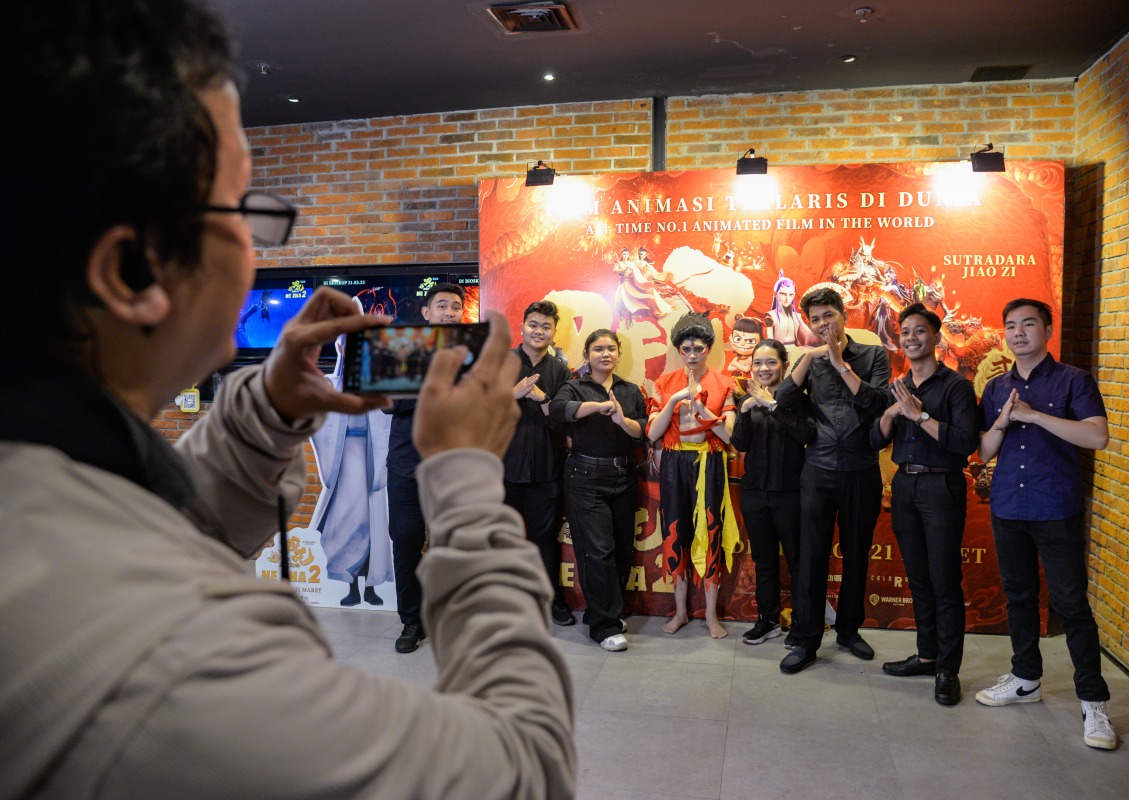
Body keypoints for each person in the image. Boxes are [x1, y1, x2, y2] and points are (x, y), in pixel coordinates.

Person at [1, 3, 575, 797]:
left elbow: (144, 524)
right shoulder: (180, 661)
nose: (255, 247)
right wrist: (469, 487)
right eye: (242, 210)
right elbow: (524, 765)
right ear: (129, 271)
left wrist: (263, 409)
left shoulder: (43, 477)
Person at [975, 298, 1116, 750]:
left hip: (1055, 506)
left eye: (1028, 324)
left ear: (1047, 330)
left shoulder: (1074, 380)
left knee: (1072, 606)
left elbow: (1097, 436)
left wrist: (1034, 416)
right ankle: (1025, 678)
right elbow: (983, 452)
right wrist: (1001, 421)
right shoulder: (996, 387)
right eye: (1011, 325)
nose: (1018, 333)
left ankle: (1094, 704)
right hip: (1008, 508)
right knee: (1018, 598)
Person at [775, 287, 891, 673]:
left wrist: (841, 362)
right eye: (815, 319)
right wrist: (809, 357)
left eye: (828, 315)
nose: (822, 324)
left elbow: (877, 403)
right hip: (819, 469)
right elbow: (784, 400)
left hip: (861, 469)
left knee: (857, 553)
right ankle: (807, 639)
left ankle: (849, 629)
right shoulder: (810, 359)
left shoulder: (873, 354)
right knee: (812, 556)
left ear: (843, 315)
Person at [871, 304, 980, 705]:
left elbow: (965, 442)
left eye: (920, 331)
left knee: (944, 581)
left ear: (936, 337)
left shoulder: (956, 387)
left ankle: (948, 670)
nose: (911, 338)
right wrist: (891, 412)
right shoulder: (899, 387)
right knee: (918, 578)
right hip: (905, 486)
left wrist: (918, 417)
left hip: (941, 487)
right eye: (905, 332)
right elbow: (875, 439)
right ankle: (927, 654)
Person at [550, 329, 648, 651]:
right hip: (585, 476)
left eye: (610, 349)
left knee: (620, 549)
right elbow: (559, 411)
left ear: (619, 353)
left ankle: (601, 613)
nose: (605, 354)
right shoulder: (574, 386)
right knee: (598, 551)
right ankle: (604, 628)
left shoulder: (630, 390)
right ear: (587, 355)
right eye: (597, 349)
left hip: (623, 475)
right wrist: (597, 406)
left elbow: (641, 431)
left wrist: (622, 420)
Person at [384, 282, 465, 653]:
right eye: (443, 306)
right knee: (406, 542)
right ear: (427, 313)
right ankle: (412, 621)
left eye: (456, 307)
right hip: (406, 463)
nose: (450, 312)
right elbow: (387, 403)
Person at [647, 313, 738, 639]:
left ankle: (712, 616)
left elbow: (729, 437)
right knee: (675, 534)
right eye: (686, 348)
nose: (692, 354)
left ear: (708, 349)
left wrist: (701, 410)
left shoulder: (724, 383)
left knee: (710, 533)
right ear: (678, 349)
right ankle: (681, 612)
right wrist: (673, 401)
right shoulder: (664, 382)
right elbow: (653, 432)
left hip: (709, 464)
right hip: (673, 465)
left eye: (699, 348)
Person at [730, 339, 814, 644]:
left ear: (785, 364)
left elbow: (808, 434)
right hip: (754, 492)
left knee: (797, 559)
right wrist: (745, 410)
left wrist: (773, 406)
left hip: (790, 492)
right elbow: (740, 444)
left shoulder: (799, 400)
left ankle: (804, 624)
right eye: (758, 363)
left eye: (771, 362)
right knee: (763, 559)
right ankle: (767, 619)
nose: (763, 369)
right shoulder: (746, 399)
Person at [311, 319, 394, 606]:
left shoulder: (384, 384)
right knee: (347, 521)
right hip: (345, 459)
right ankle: (350, 586)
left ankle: (371, 586)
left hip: (374, 459)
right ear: (341, 348)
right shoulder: (331, 384)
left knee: (374, 523)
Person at [504, 300, 574, 626]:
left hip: (547, 469)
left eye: (546, 327)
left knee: (545, 538)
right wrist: (512, 394)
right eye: (534, 324)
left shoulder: (560, 370)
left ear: (554, 333)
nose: (539, 331)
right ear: (522, 327)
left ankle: (553, 600)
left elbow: (562, 423)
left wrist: (542, 398)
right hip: (504, 468)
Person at [764, 275, 821, 348]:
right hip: (779, 352)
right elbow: (769, 341)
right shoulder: (771, 316)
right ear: (775, 294)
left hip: (796, 349)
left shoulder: (796, 316)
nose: (787, 298)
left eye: (790, 295)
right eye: (783, 294)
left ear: (794, 295)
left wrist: (822, 335)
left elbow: (808, 335)